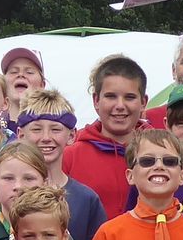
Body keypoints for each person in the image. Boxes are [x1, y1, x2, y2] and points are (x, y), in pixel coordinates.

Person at [13, 90, 105, 240]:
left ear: (71, 135)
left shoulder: (86, 200)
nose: (46, 137)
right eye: (37, 129)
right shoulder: (11, 193)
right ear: (20, 134)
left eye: (55, 129)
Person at [62, 54, 149, 221]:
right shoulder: (70, 157)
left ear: (143, 102)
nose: (120, 106)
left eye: (129, 97)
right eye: (111, 96)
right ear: (96, 100)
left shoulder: (159, 155)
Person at [0, 141, 79, 240]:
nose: (18, 186)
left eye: (29, 178)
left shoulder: (59, 238)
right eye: (8, 178)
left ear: (44, 183)